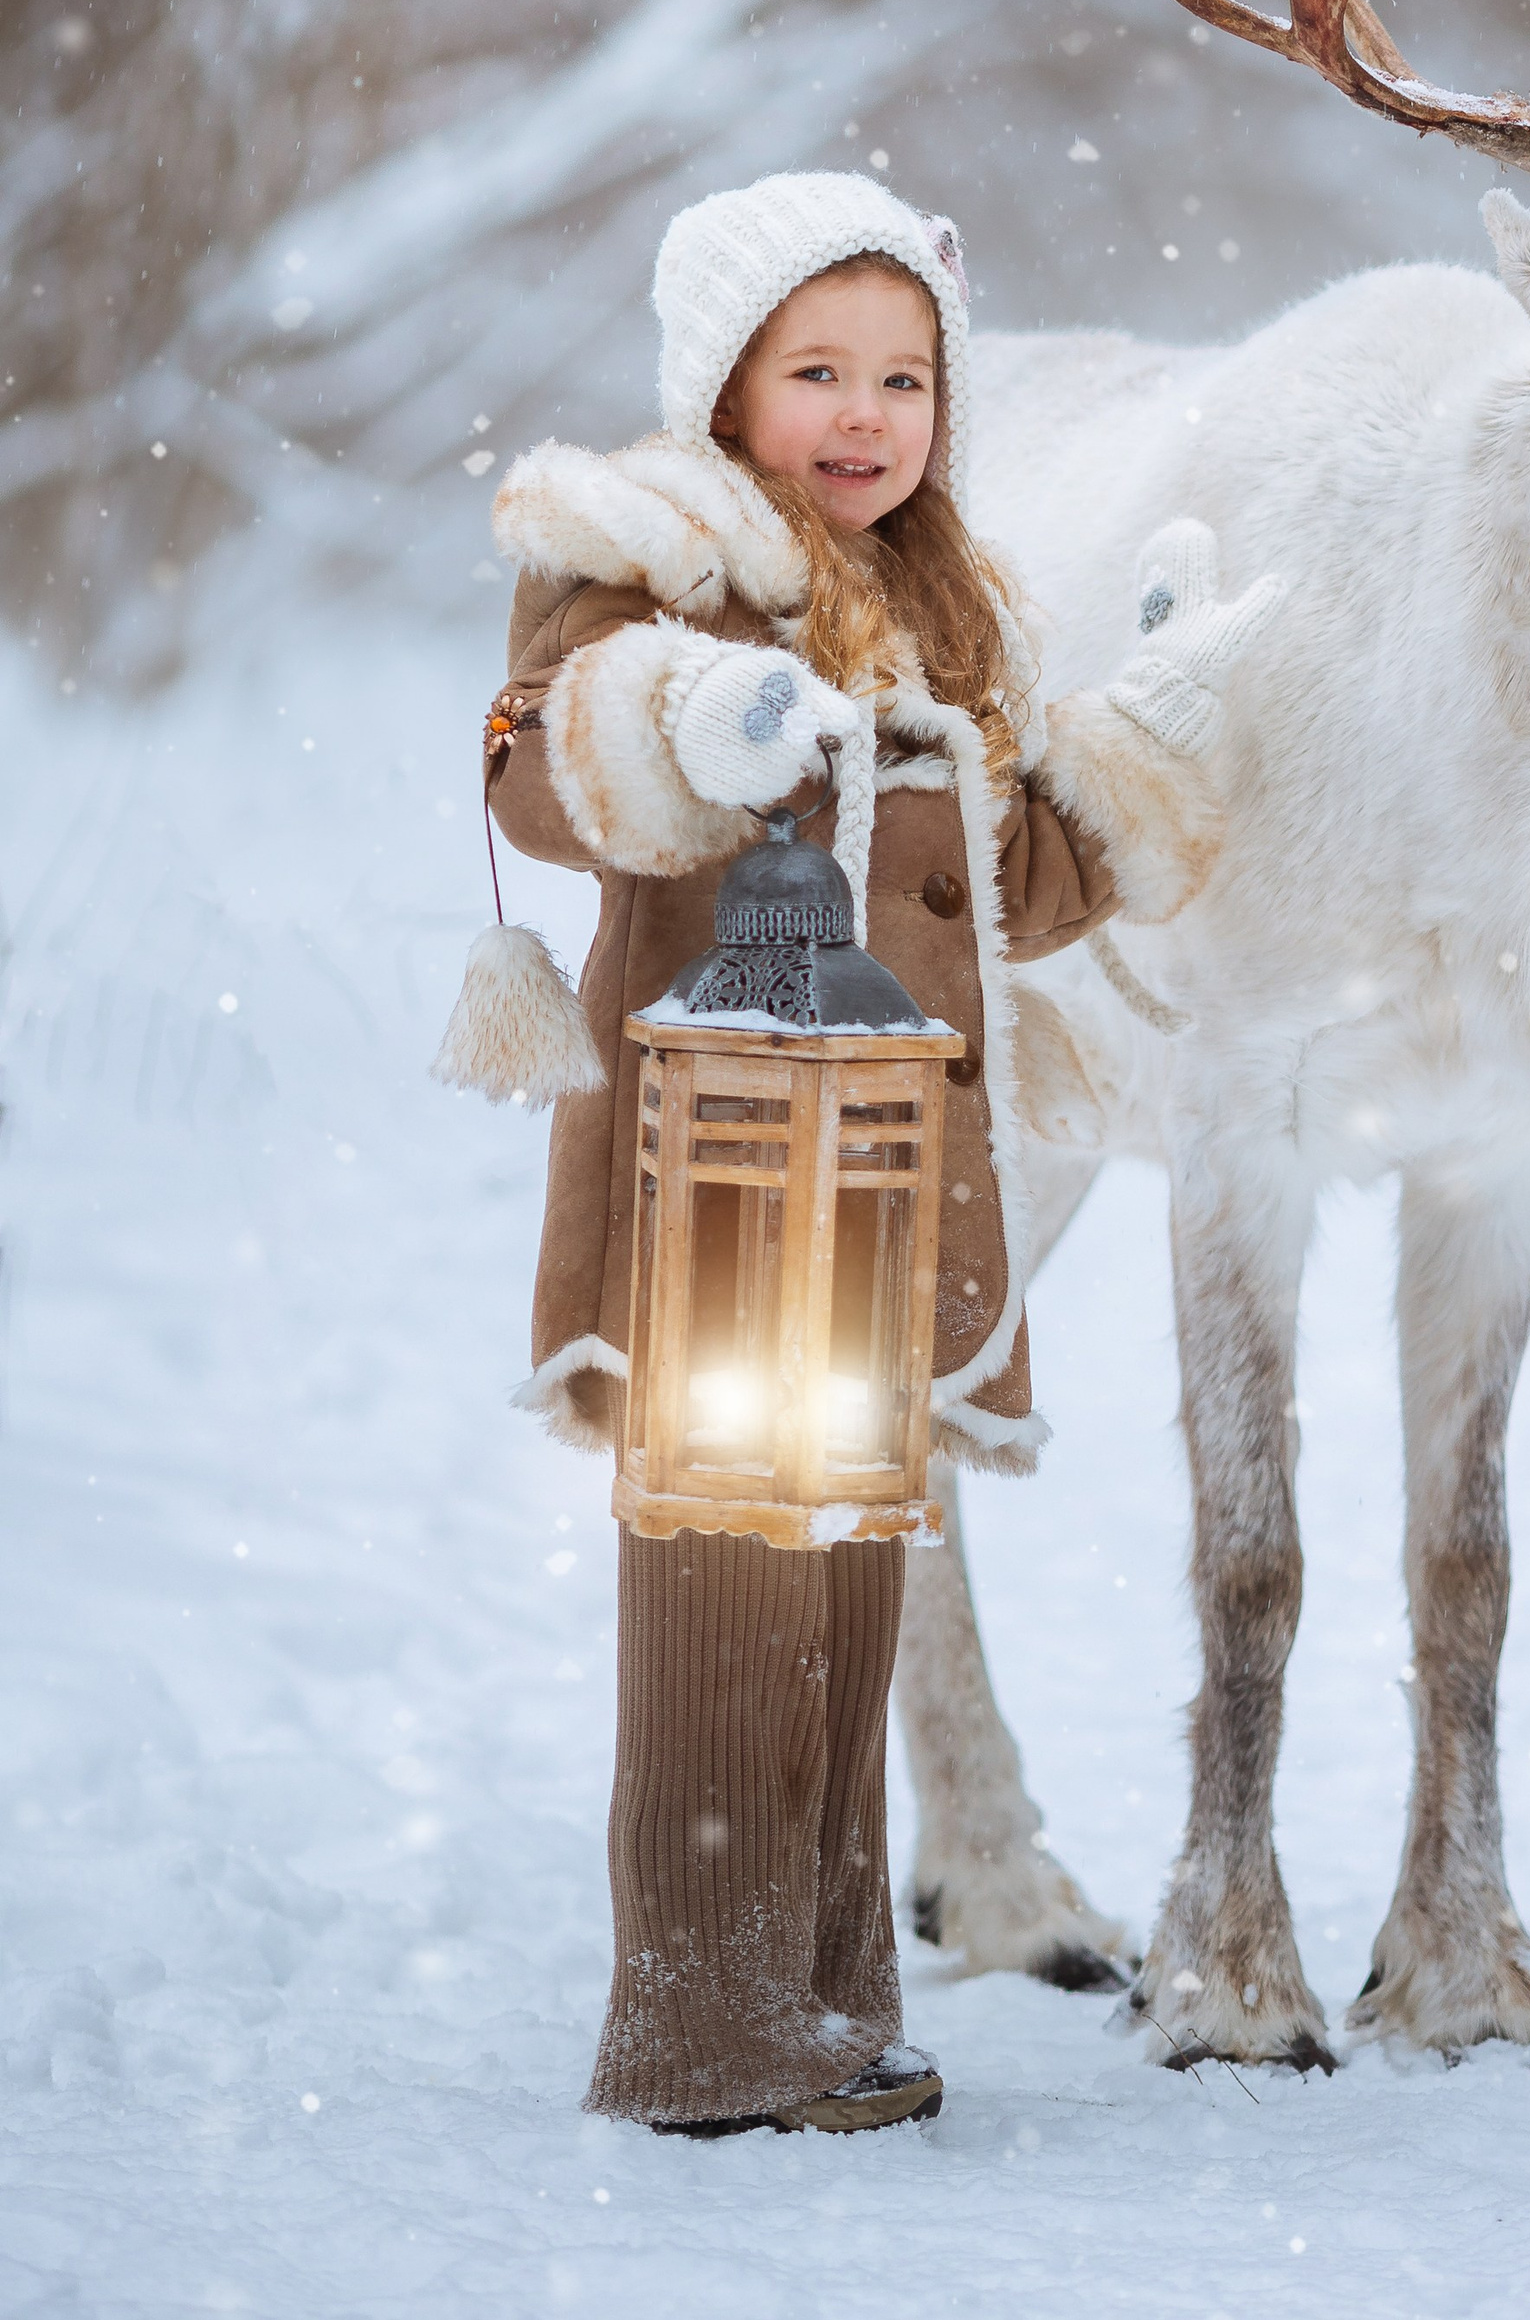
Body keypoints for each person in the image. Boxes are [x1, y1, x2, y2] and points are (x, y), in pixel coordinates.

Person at [439, 171, 1275, 2134]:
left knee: (839, 1608)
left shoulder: (937, 613)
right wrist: (686, 715)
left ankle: (827, 1994)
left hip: (882, 1197)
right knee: (725, 1608)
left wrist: (1149, 739)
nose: (865, 413)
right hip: (718, 1188)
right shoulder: (645, 565)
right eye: (817, 368)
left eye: (905, 377)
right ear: (725, 385)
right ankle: (704, 2029)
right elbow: (541, 766)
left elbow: (1004, 885)